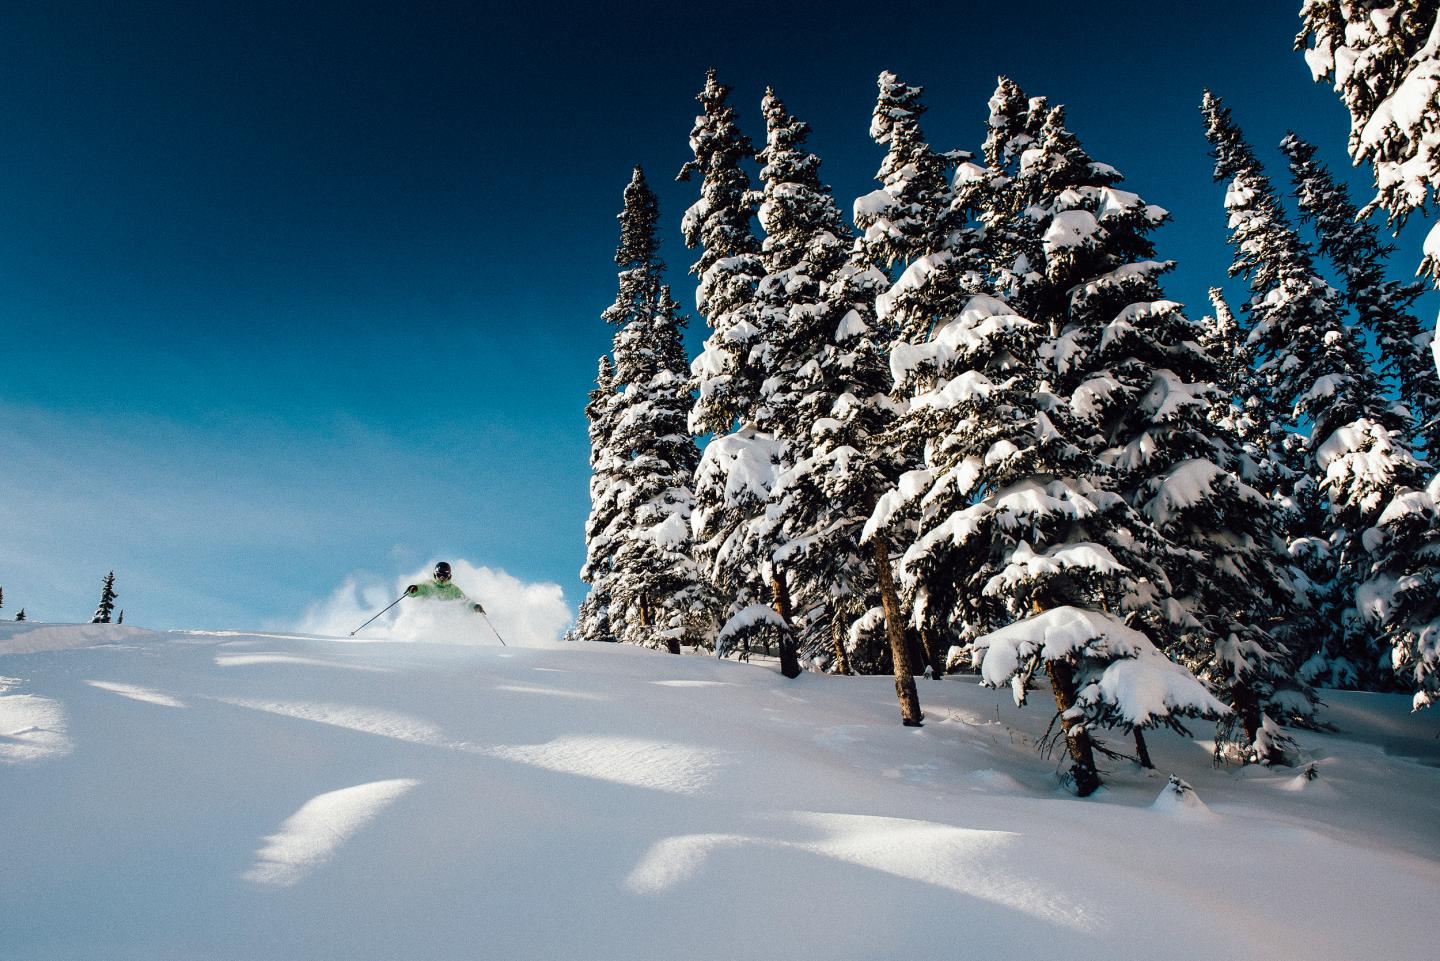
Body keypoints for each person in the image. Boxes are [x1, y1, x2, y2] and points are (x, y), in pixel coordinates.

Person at [407, 561, 486, 614]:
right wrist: (413, 589)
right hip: (428, 616)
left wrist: (474, 606)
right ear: (435, 574)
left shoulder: (454, 589)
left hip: (445, 618)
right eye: (439, 575)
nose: (442, 578)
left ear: (449, 575)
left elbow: (465, 601)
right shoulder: (428, 585)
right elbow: (418, 589)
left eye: (445, 575)